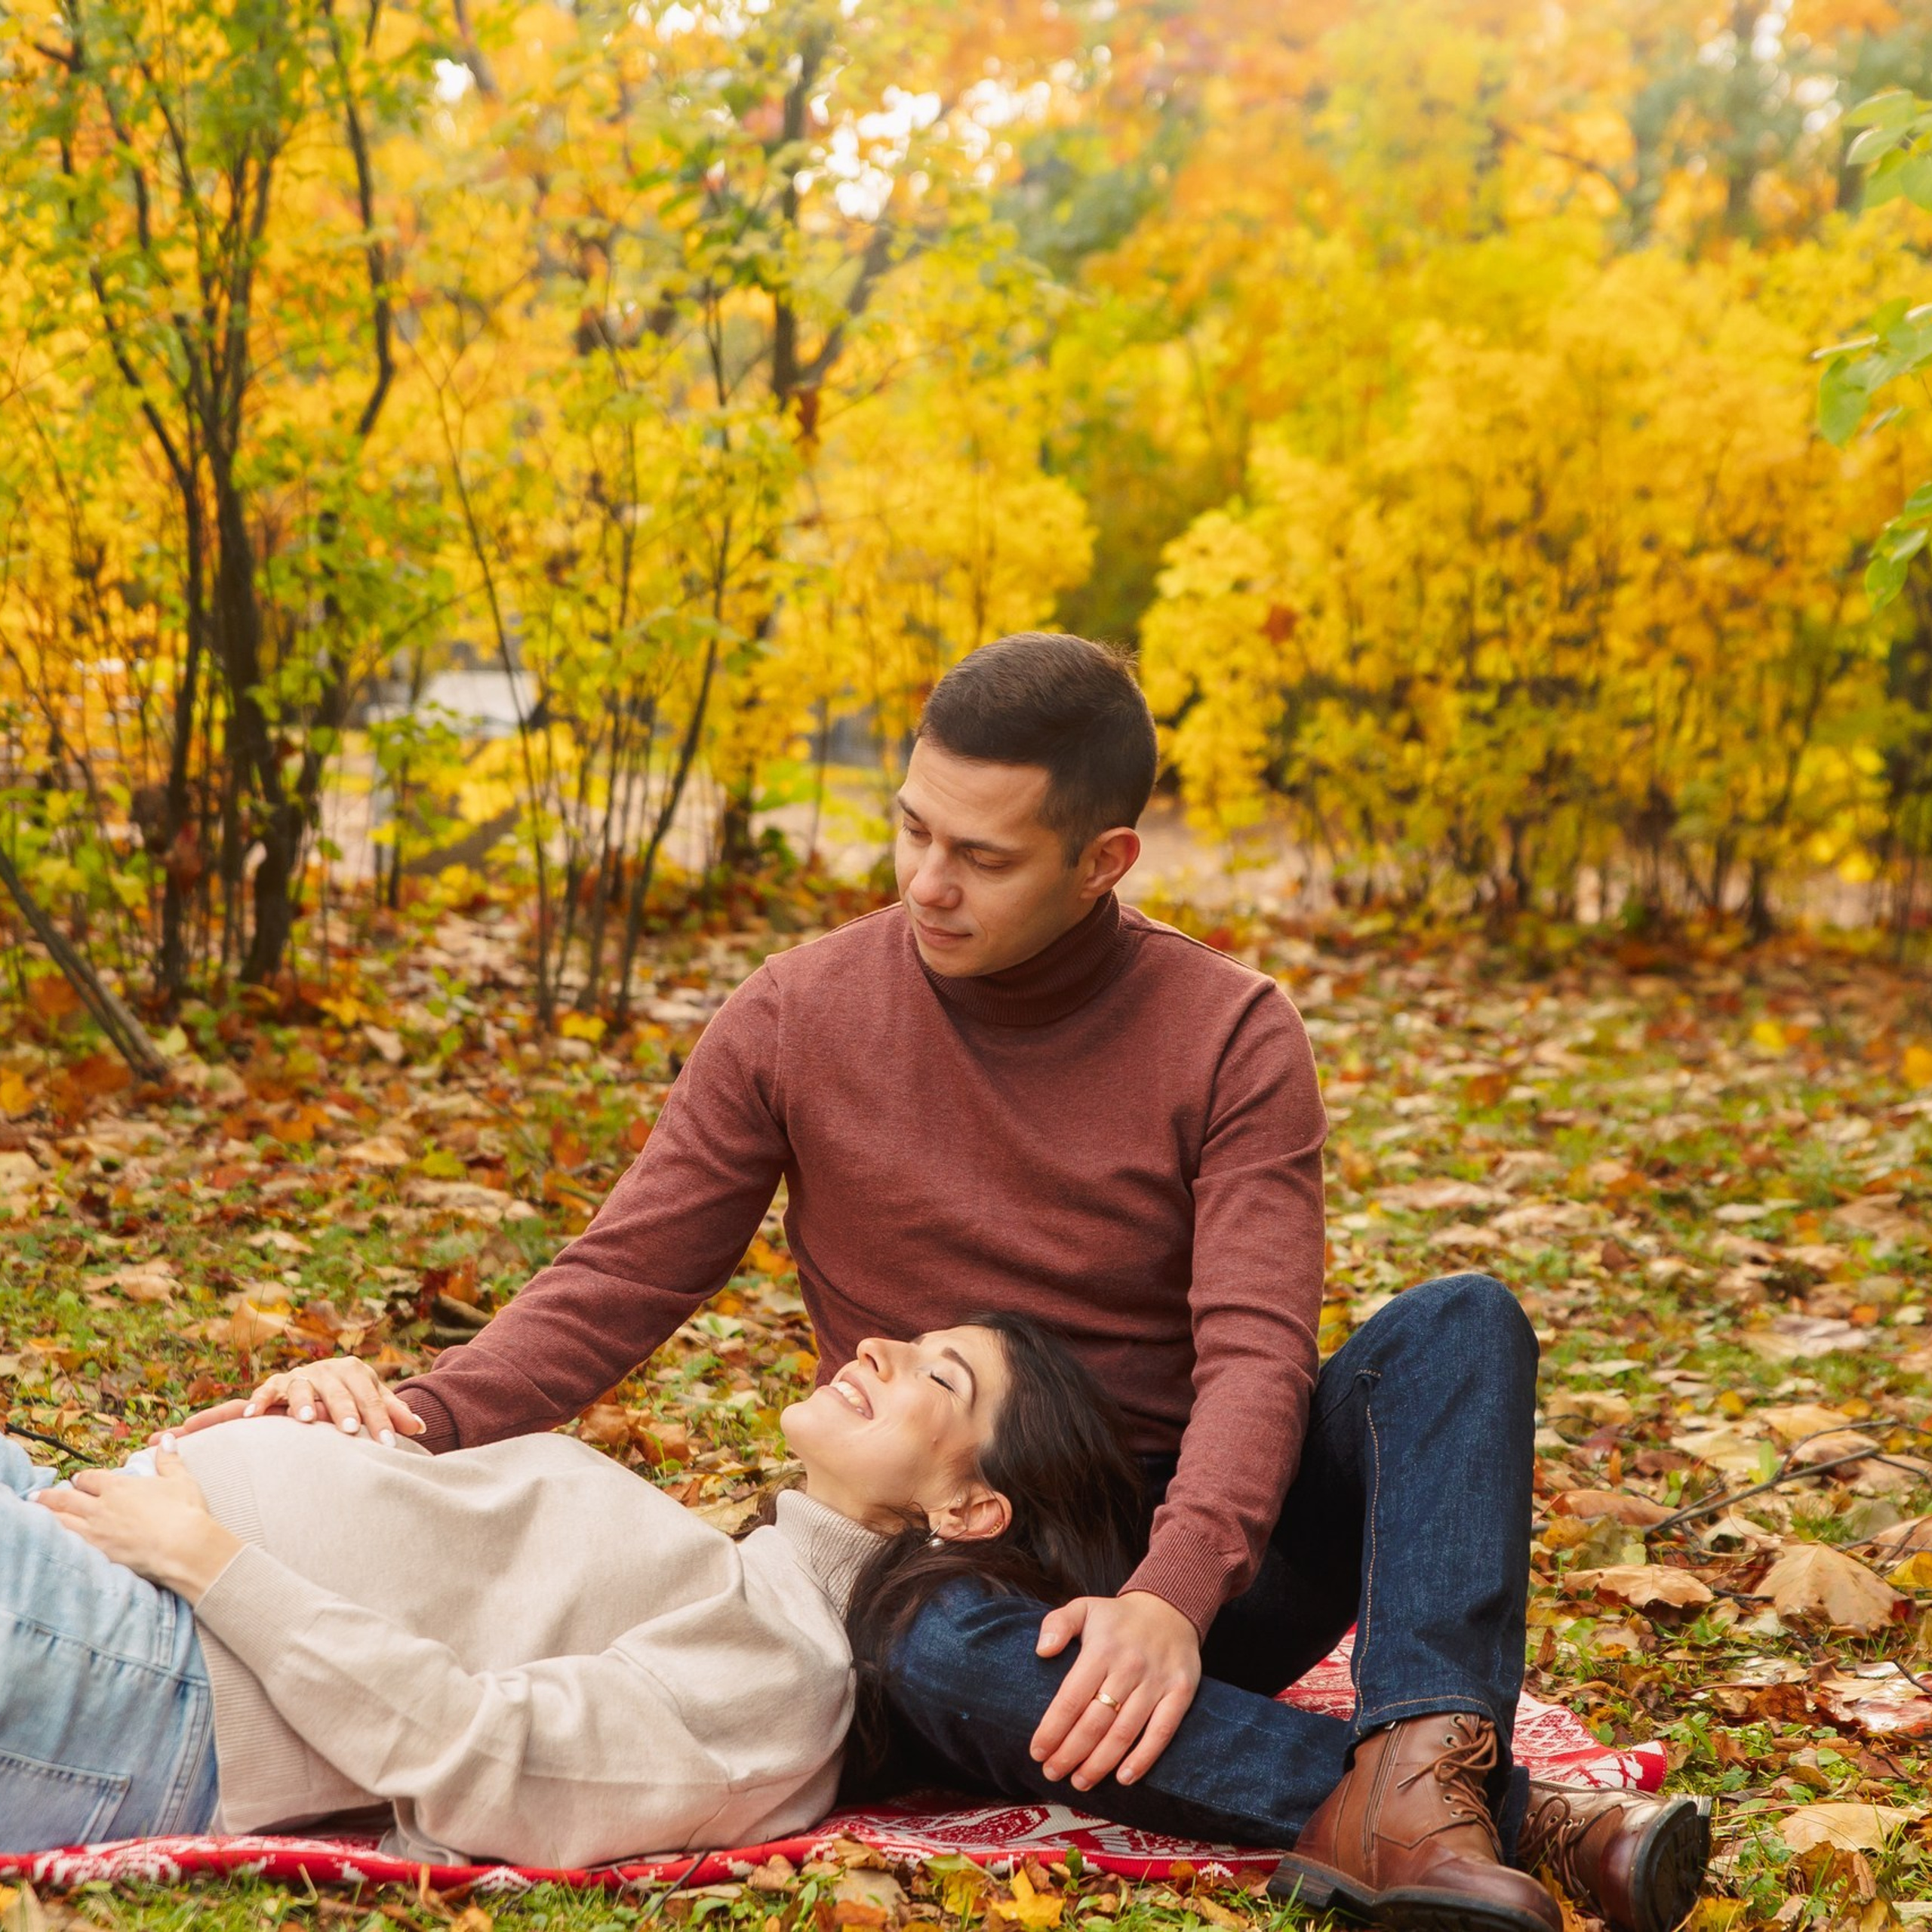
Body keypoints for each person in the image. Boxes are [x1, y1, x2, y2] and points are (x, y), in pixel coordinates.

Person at [183, 635, 1710, 1932]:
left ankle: (1426, 1775)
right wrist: (419, 1412)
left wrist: (1171, 1596)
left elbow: (1254, 1354)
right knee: (907, 1639)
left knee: (1458, 1325)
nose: (925, 879)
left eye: (979, 855)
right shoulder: (797, 1014)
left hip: (1205, 1549)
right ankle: (1483, 1821)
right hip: (958, 1563)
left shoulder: (1227, 1030)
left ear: (1103, 858)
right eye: (911, 828)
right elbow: (623, 1270)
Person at [4, 1315, 1143, 1866]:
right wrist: (329, 1429)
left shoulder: (789, 1679)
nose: (885, 1345)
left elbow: (489, 1760)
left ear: (968, 1512)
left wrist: (217, 1560)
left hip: (158, 1672)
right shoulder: (733, 1571)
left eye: (941, 1375)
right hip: (109, 1543)